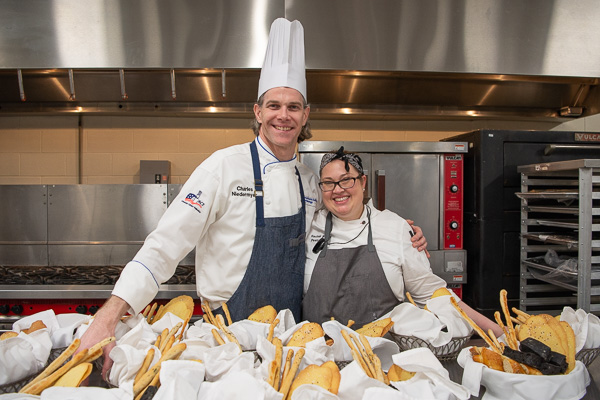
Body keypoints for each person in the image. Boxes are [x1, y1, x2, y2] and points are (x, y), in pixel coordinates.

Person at [76, 18, 430, 378]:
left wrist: (400, 230)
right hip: (226, 344)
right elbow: (164, 245)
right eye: (274, 105)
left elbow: (344, 220)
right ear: (258, 112)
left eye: (294, 107)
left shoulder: (309, 182)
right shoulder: (222, 168)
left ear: (305, 115)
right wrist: (108, 317)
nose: (284, 115)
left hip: (290, 343)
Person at [302, 147, 503, 338]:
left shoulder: (395, 228)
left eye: (346, 180)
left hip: (381, 359)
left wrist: (499, 333)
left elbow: (434, 295)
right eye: (328, 183)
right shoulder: (309, 224)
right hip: (319, 355)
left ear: (363, 182)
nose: (337, 190)